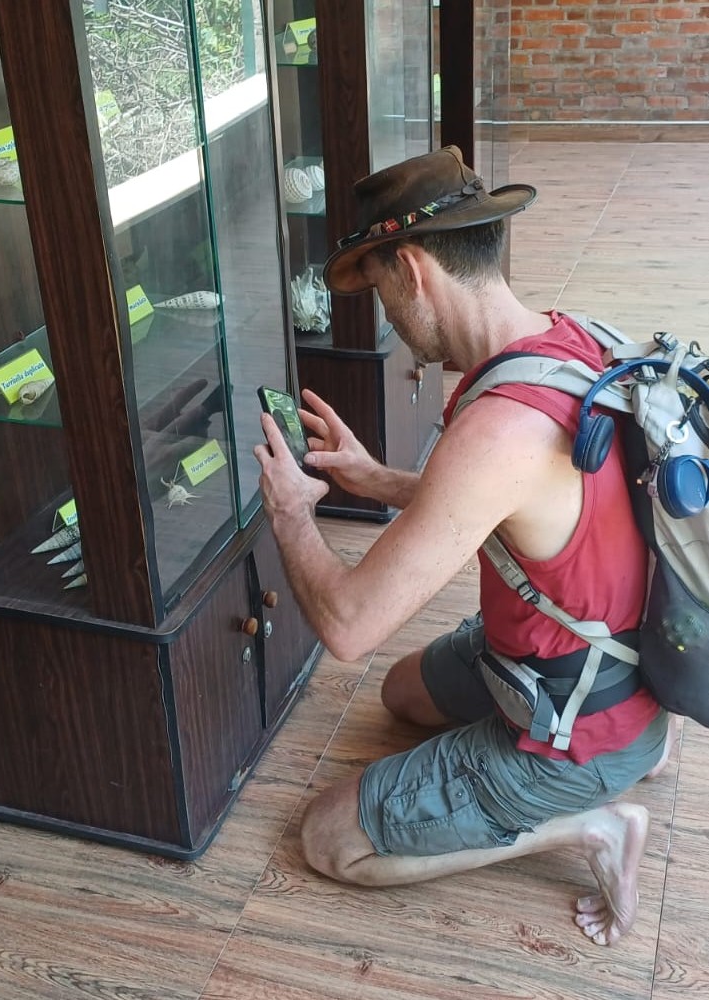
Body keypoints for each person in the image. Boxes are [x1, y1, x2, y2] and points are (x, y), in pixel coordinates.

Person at [254, 145, 673, 947]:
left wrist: (291, 516)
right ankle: (631, 749)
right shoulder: (566, 343)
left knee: (328, 839)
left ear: (411, 270)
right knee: (402, 696)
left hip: (575, 714)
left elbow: (346, 627)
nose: (386, 315)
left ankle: (592, 825)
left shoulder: (496, 429)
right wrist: (375, 479)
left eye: (380, 290)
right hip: (613, 654)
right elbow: (513, 507)